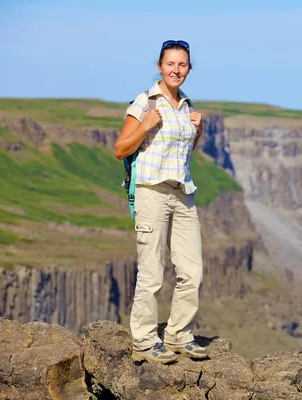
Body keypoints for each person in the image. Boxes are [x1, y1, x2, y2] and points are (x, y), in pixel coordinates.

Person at [114, 39, 207, 364]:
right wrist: (145, 126)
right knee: (152, 271)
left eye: (182, 65)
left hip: (183, 194)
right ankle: (144, 340)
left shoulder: (186, 105)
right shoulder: (146, 102)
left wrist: (197, 132)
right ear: (160, 66)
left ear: (188, 69)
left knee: (191, 271)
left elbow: (180, 155)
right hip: (152, 192)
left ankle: (179, 335)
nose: (176, 70)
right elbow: (121, 148)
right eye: (171, 64)